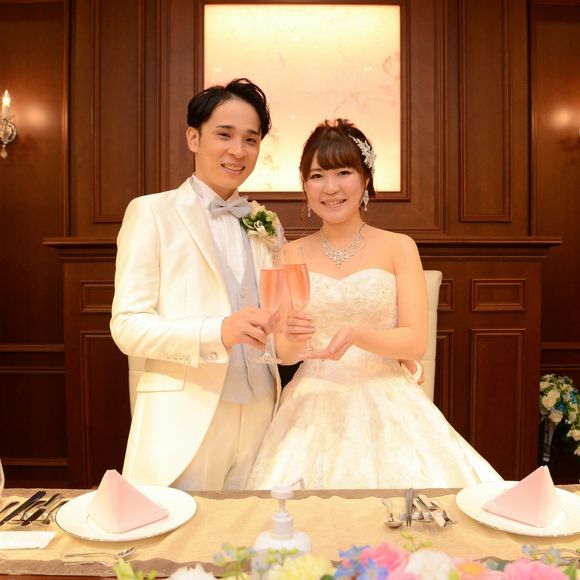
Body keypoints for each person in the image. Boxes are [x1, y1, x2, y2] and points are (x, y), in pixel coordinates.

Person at [247, 119, 503, 489]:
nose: (330, 187)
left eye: (343, 172)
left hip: (388, 396)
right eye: (317, 176)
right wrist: (293, 336)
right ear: (305, 185)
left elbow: (414, 342)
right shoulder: (291, 253)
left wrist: (357, 335)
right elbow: (286, 355)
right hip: (313, 399)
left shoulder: (399, 246)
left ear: (365, 179)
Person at [110, 78, 282, 491]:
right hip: (184, 419)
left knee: (253, 531)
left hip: (262, 413)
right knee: (180, 530)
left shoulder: (267, 224)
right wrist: (216, 331)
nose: (238, 151)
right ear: (193, 138)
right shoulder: (151, 213)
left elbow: (280, 315)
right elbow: (127, 327)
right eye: (224, 135)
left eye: (250, 139)